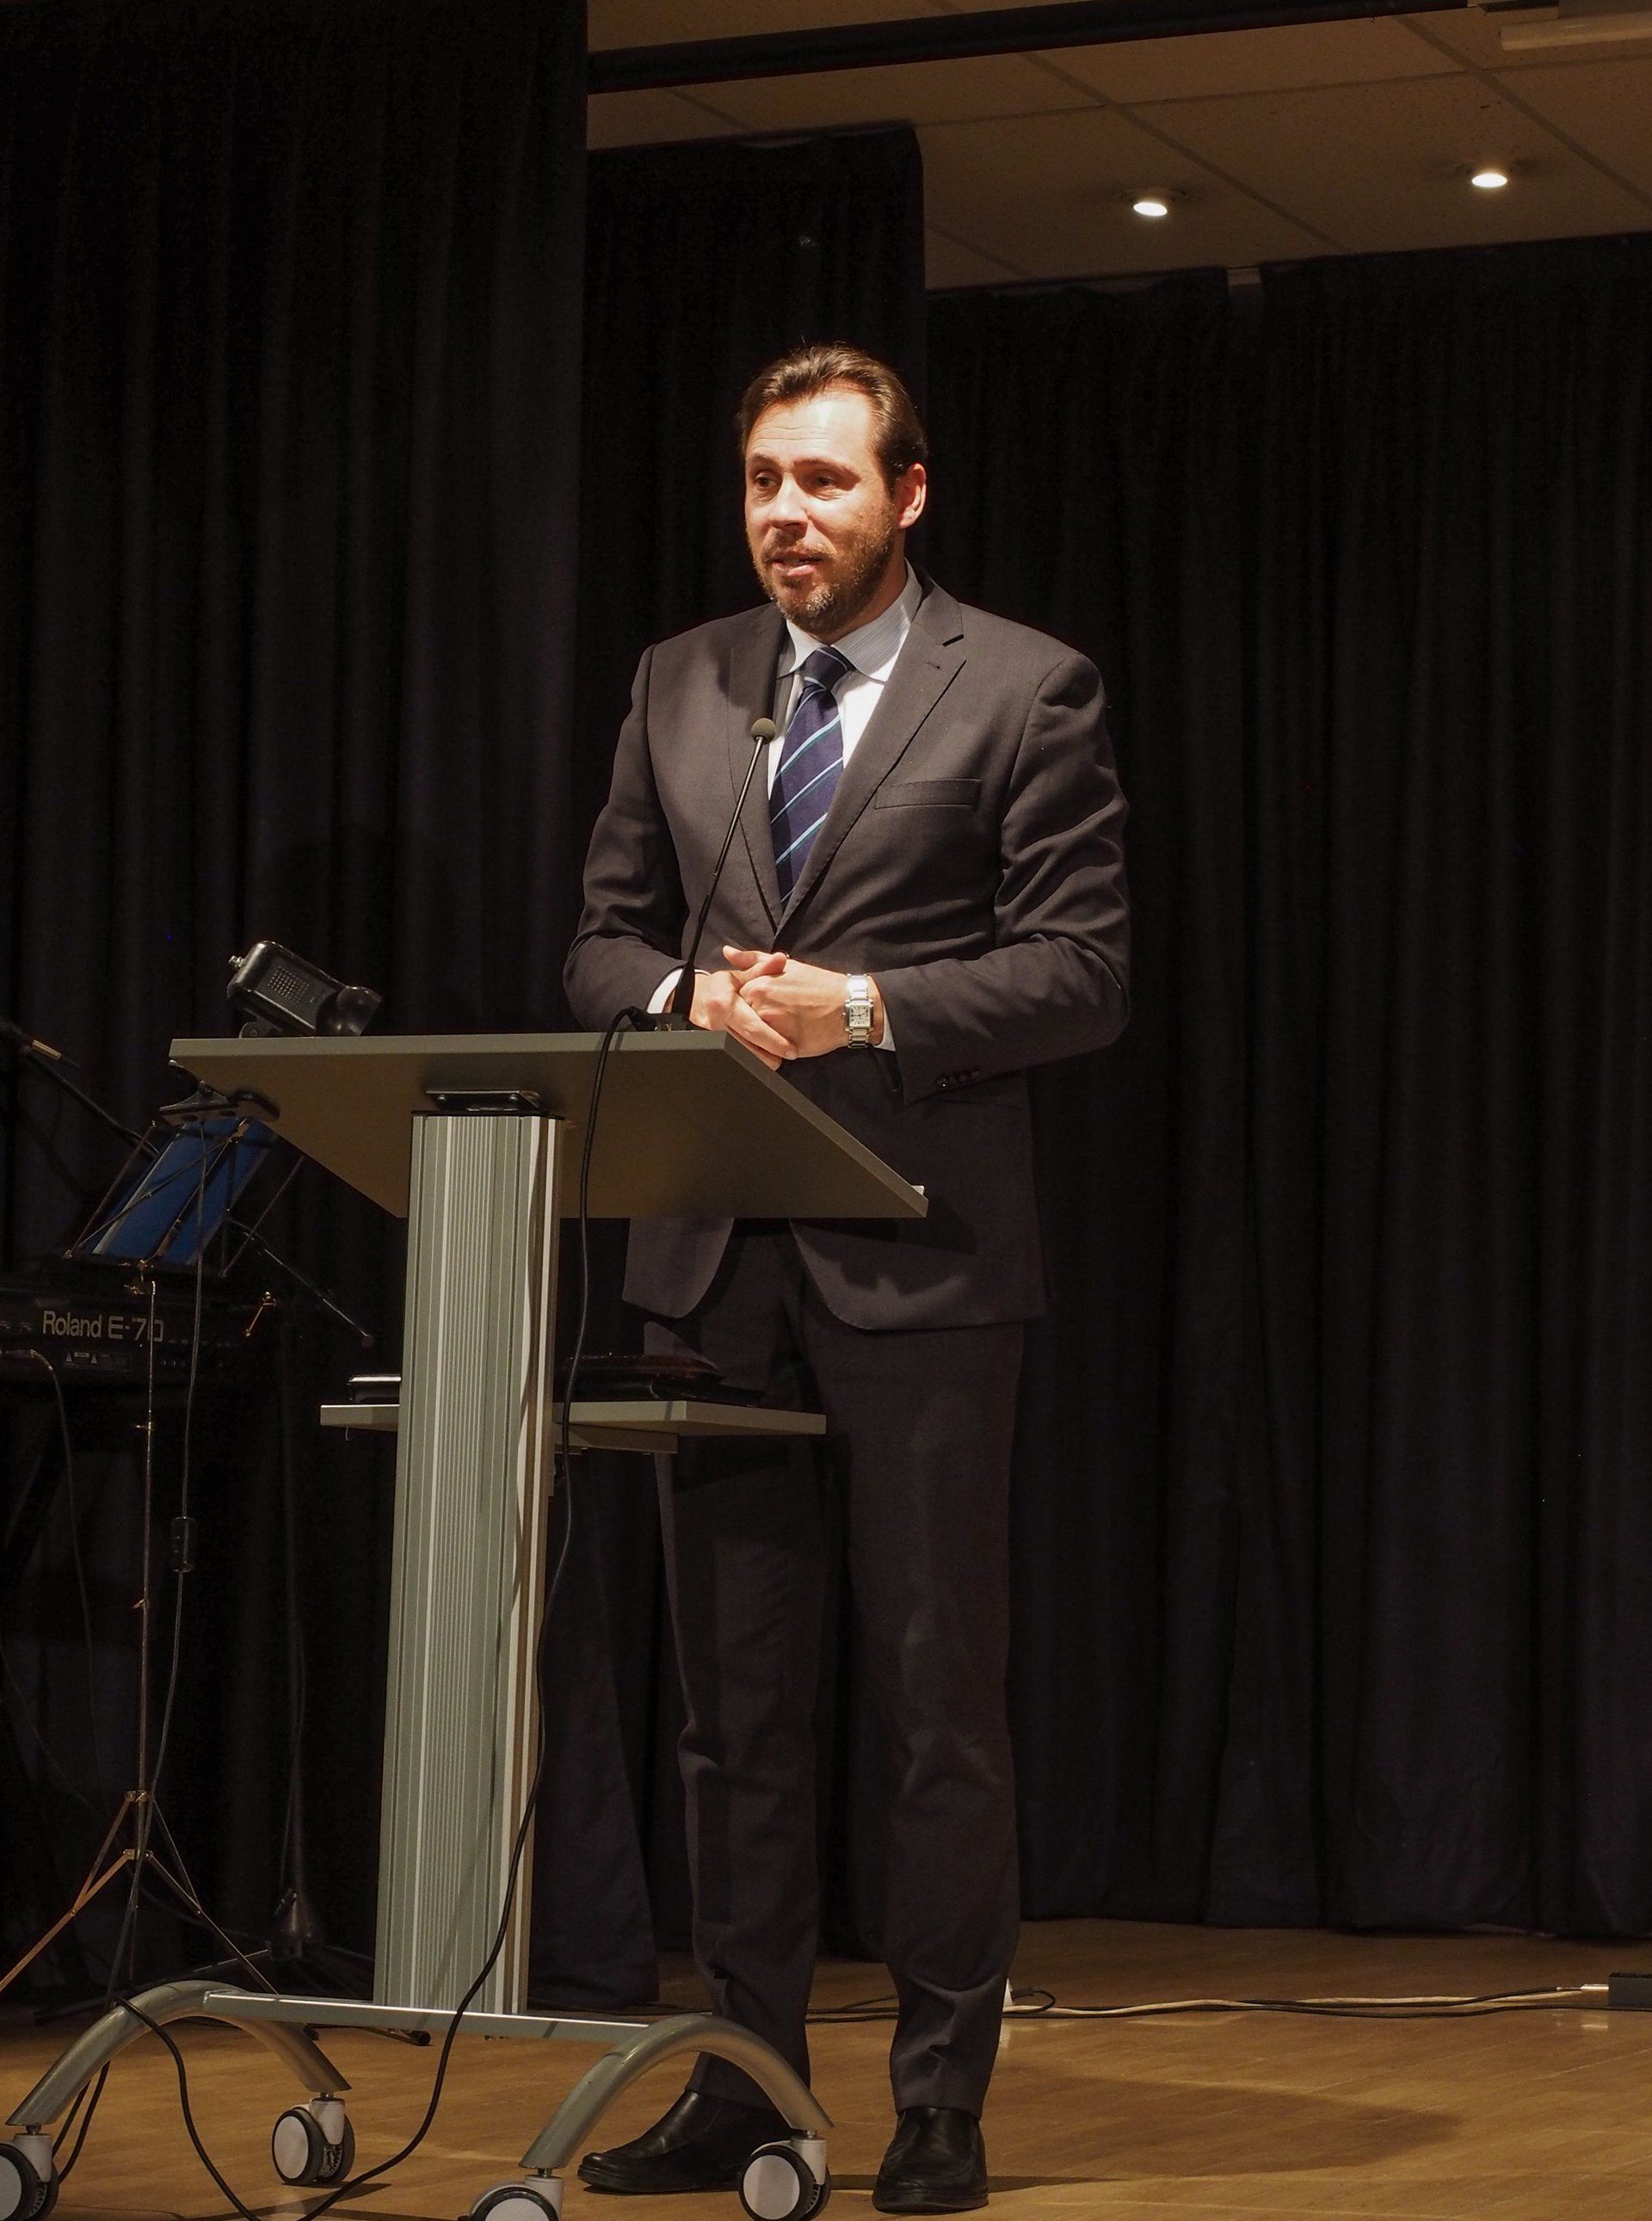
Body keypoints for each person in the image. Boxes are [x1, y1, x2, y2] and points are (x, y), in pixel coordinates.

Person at [564, 343, 1129, 2213]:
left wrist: (865, 1004)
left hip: (924, 1262)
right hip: (710, 1257)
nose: (785, 515)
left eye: (822, 481)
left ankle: (941, 2100)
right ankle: (743, 2084)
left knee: (932, 1702)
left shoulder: (1026, 685)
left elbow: (1082, 970)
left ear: (908, 494)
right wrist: (684, 996)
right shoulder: (681, 680)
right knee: (731, 1713)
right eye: (761, 482)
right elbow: (599, 940)